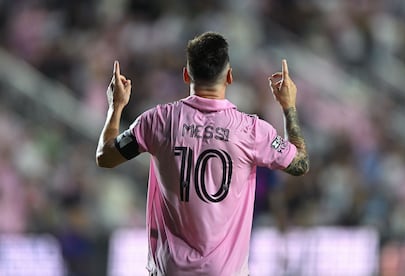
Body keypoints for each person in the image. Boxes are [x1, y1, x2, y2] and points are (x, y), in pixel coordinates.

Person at [96, 32, 309, 276]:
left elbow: (105, 156)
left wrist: (116, 107)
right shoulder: (251, 130)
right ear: (229, 76)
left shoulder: (159, 120)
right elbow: (300, 163)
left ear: (186, 74)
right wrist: (288, 106)